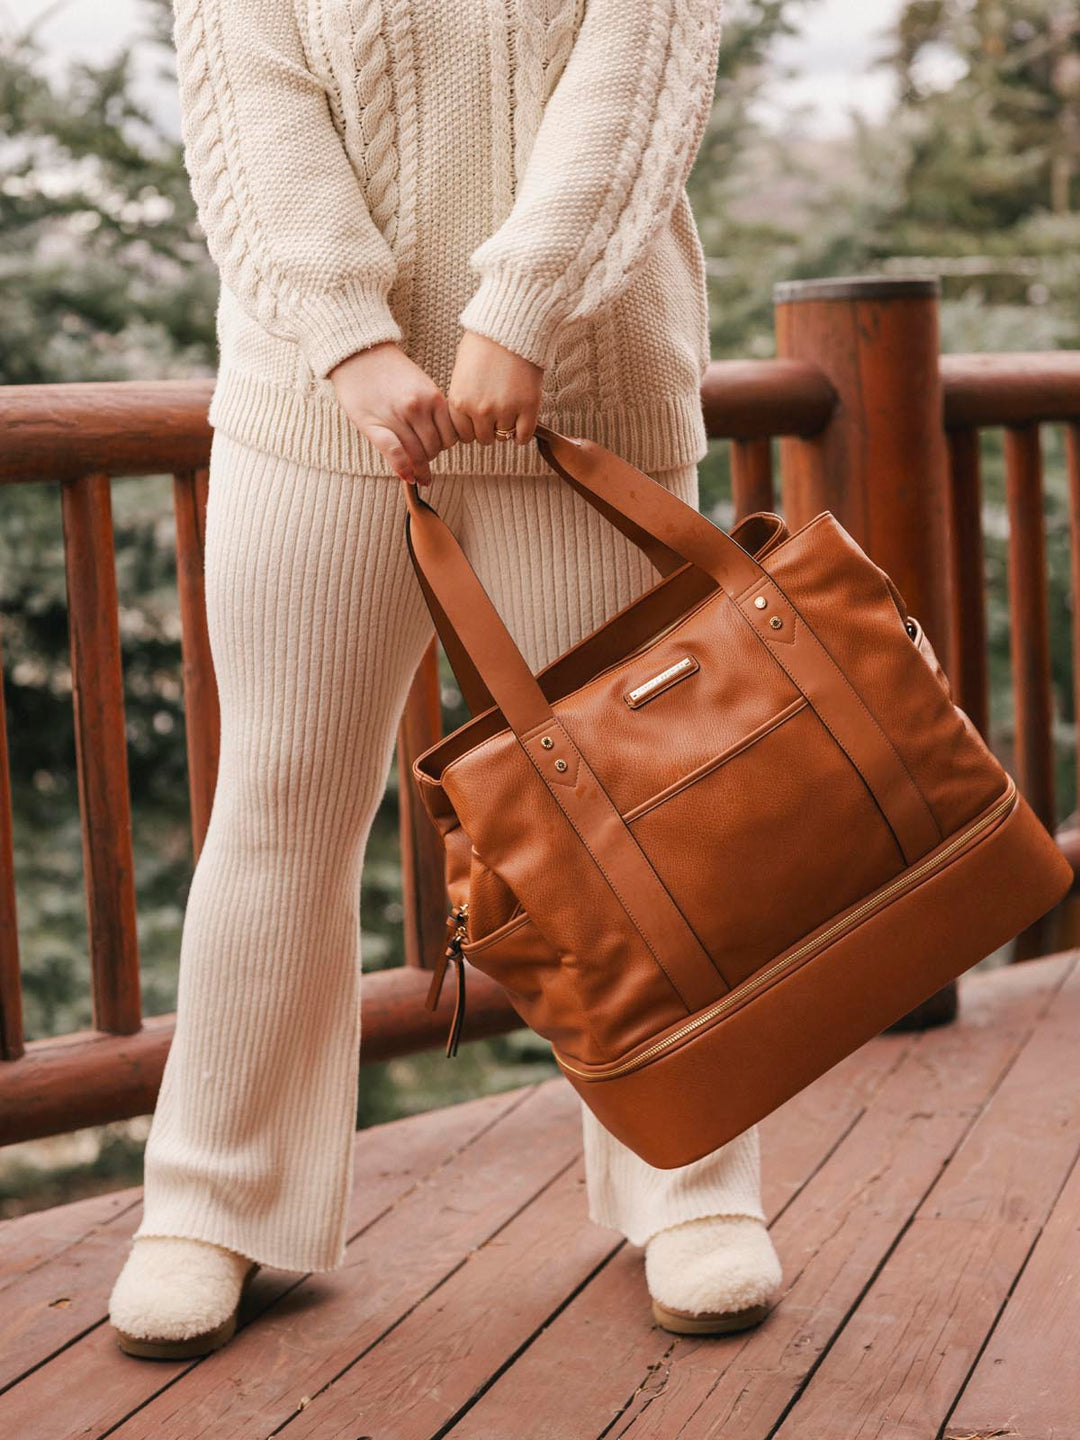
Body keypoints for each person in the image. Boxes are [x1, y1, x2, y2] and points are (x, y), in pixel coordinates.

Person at [107, 0, 784, 1357]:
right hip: (314, 414)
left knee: (640, 805)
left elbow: (637, 78)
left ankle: (694, 1187)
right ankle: (205, 1205)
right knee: (280, 803)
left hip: (582, 396)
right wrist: (350, 341)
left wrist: (522, 311)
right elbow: (253, 102)